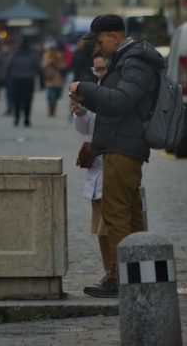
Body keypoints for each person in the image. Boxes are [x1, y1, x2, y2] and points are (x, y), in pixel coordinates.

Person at [69, 13, 164, 299]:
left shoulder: (134, 61)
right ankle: (139, 276)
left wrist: (84, 89)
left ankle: (119, 278)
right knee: (131, 215)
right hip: (120, 143)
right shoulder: (127, 60)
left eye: (99, 40)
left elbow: (122, 102)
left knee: (116, 213)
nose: (98, 47)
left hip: (124, 146)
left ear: (114, 36)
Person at [71, 51, 112, 284]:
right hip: (96, 168)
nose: (99, 74)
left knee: (110, 226)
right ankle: (108, 271)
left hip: (112, 164)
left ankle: (115, 272)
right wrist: (80, 113)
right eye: (96, 70)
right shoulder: (92, 91)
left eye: (103, 69)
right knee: (99, 229)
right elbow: (86, 129)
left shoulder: (115, 92)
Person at [6, 37, 39, 127]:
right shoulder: (31, 55)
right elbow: (37, 67)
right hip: (28, 80)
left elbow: (8, 66)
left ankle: (17, 117)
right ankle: (27, 119)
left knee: (16, 100)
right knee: (28, 100)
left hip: (16, 80)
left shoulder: (14, 55)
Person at [41, 43, 65, 117]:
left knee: (56, 95)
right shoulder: (46, 55)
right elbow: (42, 65)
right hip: (49, 78)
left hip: (57, 78)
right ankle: (51, 110)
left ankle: (53, 108)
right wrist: (48, 62)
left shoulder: (59, 55)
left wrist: (56, 64)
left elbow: (63, 66)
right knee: (50, 95)